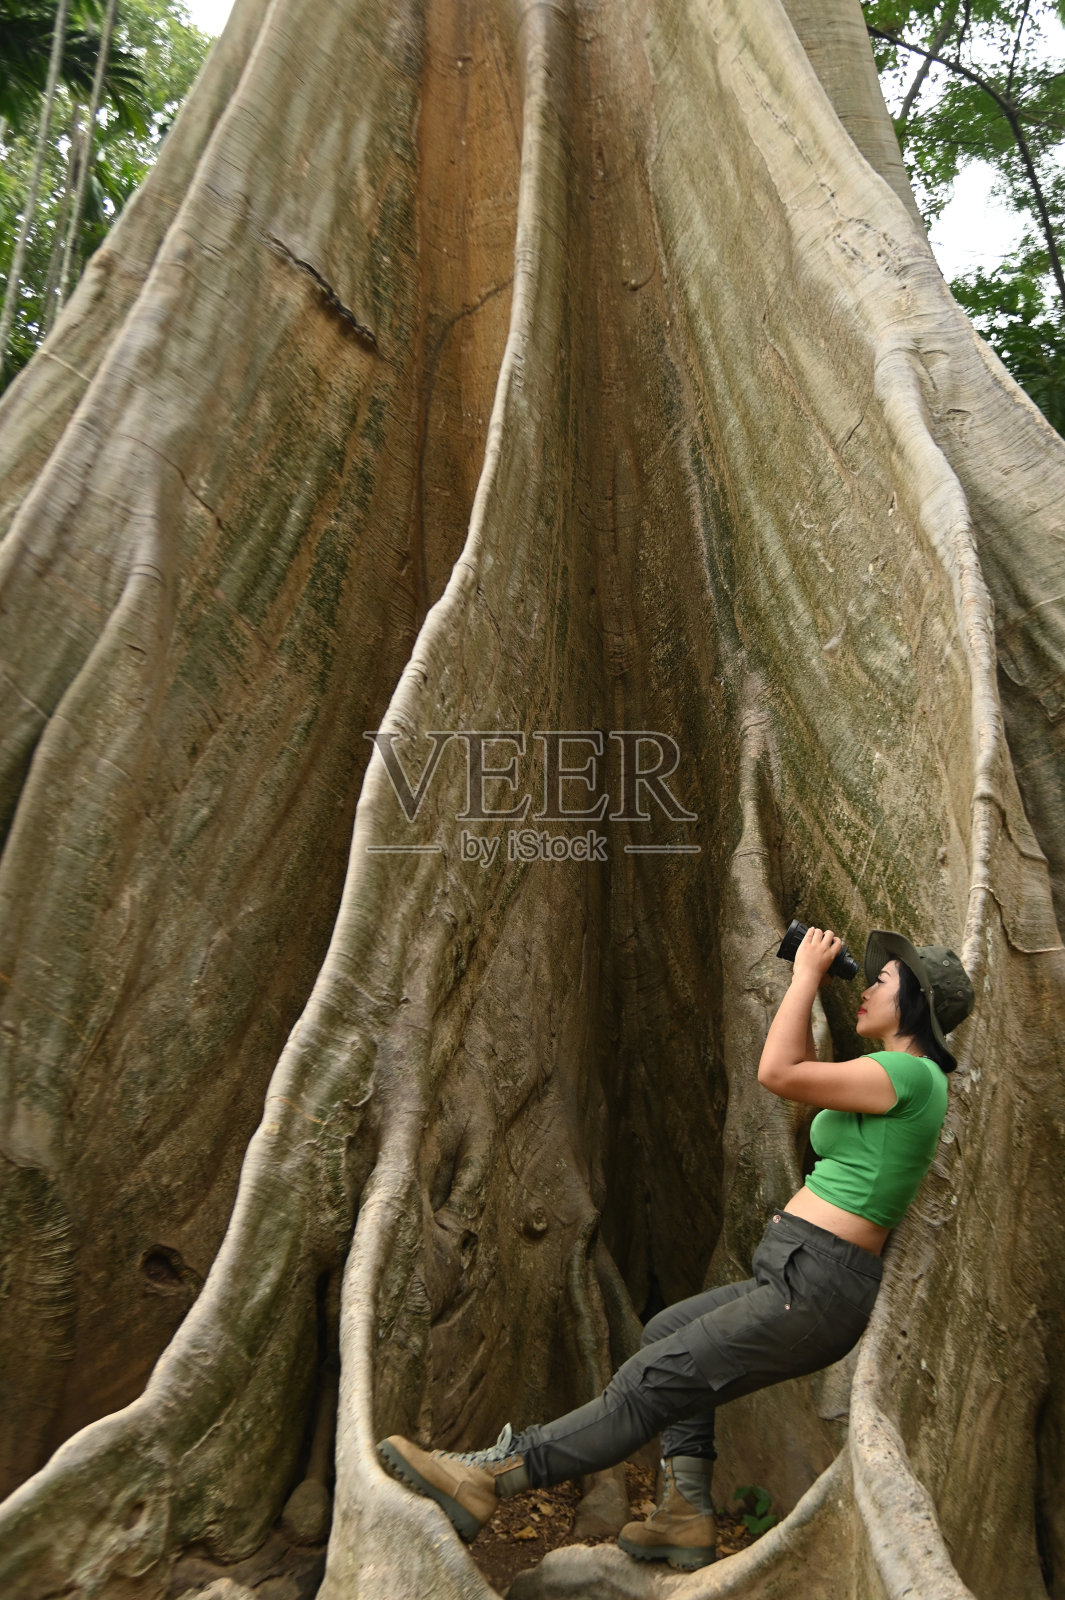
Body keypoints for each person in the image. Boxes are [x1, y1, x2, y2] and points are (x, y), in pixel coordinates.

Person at [378, 925, 975, 1571]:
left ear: (913, 1002)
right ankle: (685, 1513)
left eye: (882, 982)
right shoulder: (893, 1077)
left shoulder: (907, 1074)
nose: (865, 990)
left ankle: (492, 1477)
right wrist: (803, 988)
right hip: (798, 1274)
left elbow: (775, 1072)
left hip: (816, 1287)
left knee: (648, 1381)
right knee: (665, 1332)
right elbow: (800, 1078)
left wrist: (804, 976)